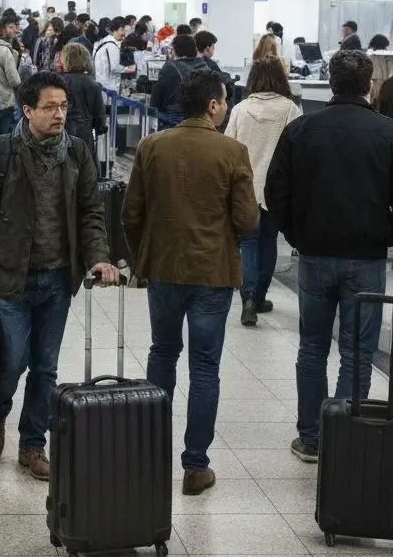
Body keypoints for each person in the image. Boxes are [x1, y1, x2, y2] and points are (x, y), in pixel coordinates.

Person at [0, 71, 118, 481]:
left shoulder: (77, 153)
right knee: (11, 361)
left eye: (63, 106)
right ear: (27, 110)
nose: (59, 114)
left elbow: (91, 213)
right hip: (9, 275)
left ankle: (32, 444)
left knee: (46, 367)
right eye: (50, 107)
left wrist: (99, 258)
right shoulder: (0, 152)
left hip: (57, 278)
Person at [122, 69, 258, 495]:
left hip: (164, 268)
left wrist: (143, 256)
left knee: (162, 352)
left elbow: (130, 213)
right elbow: (247, 220)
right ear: (213, 105)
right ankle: (196, 466)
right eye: (225, 100)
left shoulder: (151, 145)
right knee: (204, 367)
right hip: (212, 273)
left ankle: (151, 453)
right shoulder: (233, 151)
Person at [265, 49, 393, 463]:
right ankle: (345, 439)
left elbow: (275, 191)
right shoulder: (387, 133)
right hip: (367, 258)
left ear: (332, 83)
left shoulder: (301, 129)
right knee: (357, 353)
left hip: (315, 255)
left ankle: (311, 437)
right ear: (368, 85)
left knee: (312, 348)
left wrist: (295, 232)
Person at [223, 56, 303, 327]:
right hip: (275, 191)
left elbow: (228, 148)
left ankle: (246, 298)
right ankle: (259, 298)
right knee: (269, 242)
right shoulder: (290, 109)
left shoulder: (240, 109)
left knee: (247, 243)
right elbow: (297, 151)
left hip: (244, 187)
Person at [59, 42, 106, 160]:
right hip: (85, 136)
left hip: (60, 133)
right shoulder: (93, 84)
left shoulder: (58, 82)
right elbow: (99, 118)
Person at [151, 33, 210, 128]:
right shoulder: (205, 67)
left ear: (175, 51)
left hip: (173, 121)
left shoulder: (170, 67)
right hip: (201, 121)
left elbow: (156, 99)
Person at [0, 19, 21, 137]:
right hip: (7, 99)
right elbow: (15, 81)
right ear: (3, 30)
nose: (14, 30)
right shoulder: (5, 51)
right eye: (10, 27)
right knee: (7, 136)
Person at [93, 16, 135, 93]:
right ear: (115, 30)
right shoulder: (112, 45)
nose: (124, 34)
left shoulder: (102, 41)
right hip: (109, 85)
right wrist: (129, 69)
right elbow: (114, 67)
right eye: (122, 30)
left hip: (100, 83)